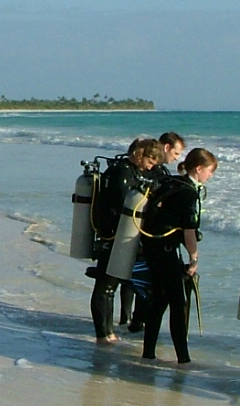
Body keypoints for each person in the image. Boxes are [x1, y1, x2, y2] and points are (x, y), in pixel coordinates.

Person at [139, 147, 217, 365]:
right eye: (210, 171)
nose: (210, 176)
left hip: (152, 247)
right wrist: (194, 259)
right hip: (166, 252)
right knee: (177, 303)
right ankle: (183, 358)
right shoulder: (188, 193)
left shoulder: (170, 182)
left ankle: (149, 352)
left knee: (159, 301)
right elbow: (189, 230)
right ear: (199, 169)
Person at [89, 139, 163, 343]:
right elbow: (120, 203)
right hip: (112, 236)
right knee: (106, 286)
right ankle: (103, 334)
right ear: (139, 154)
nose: (152, 165)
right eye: (150, 159)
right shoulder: (121, 172)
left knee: (113, 285)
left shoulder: (135, 172)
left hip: (124, 236)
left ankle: (110, 331)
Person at [126, 131, 187, 333]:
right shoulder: (158, 172)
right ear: (167, 148)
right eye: (176, 153)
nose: (176, 158)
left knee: (131, 277)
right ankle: (137, 323)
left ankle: (129, 319)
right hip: (148, 236)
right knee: (147, 283)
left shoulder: (149, 170)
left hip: (135, 231)